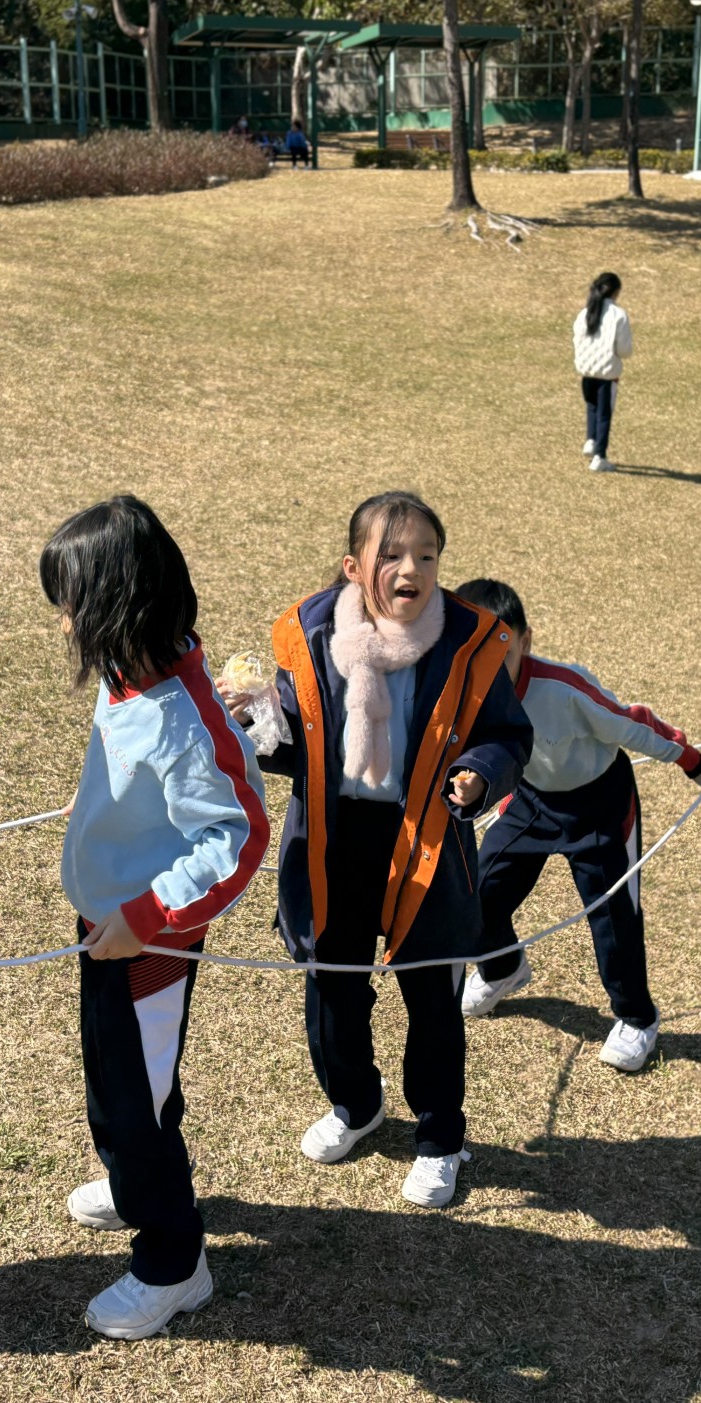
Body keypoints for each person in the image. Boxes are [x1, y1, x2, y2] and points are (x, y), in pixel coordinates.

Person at [227, 493, 531, 1210]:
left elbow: (507, 736)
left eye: (427, 554)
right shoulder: (312, 636)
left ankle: (440, 1138)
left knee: (431, 995)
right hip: (332, 838)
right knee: (332, 985)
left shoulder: (468, 642)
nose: (411, 569)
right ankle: (355, 1103)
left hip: (427, 838)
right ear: (352, 566)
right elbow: (299, 746)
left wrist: (480, 773)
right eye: (391, 555)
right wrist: (257, 724)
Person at [41, 495, 270, 1340]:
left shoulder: (184, 715)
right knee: (114, 1082)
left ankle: (174, 1262)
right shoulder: (128, 675)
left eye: (72, 606)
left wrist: (146, 915)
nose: (64, 624)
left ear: (119, 605)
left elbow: (237, 837)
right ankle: (132, 1181)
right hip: (109, 926)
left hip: (150, 944)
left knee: (141, 1098)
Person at [451, 579, 701, 1071]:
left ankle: (637, 1018)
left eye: (500, 655)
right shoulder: (458, 692)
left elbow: (631, 722)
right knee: (476, 890)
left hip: (600, 805)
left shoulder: (565, 688)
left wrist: (693, 761)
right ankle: (502, 967)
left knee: (613, 916)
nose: (487, 671)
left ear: (524, 642)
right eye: (475, 657)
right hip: (530, 800)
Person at [572, 272, 632, 473]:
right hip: (607, 373)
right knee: (605, 413)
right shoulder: (618, 315)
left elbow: (576, 339)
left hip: (586, 370)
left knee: (592, 406)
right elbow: (624, 350)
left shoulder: (585, 313)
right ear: (615, 292)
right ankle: (600, 456)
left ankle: (590, 440)